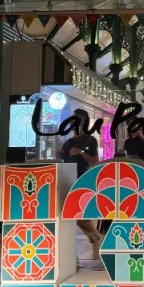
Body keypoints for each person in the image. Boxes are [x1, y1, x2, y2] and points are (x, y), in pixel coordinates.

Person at [60, 107, 101, 259]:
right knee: (70, 216)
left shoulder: (90, 140)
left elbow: (95, 161)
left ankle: (94, 238)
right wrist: (60, 154)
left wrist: (81, 153)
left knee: (77, 214)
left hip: (83, 180)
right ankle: (74, 254)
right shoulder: (68, 143)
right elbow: (64, 162)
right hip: (66, 182)